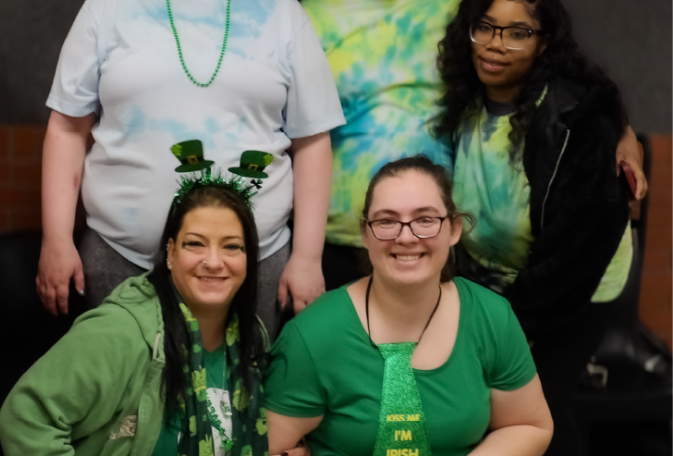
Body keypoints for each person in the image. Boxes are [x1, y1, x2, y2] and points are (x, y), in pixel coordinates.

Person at [35, 0, 346, 339]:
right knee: (121, 389)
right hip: (121, 257)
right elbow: (67, 128)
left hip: (253, 263)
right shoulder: (107, 8)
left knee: (246, 390)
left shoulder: (282, 14)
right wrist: (56, 239)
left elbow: (313, 141)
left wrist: (307, 256)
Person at [300, 0, 647, 292]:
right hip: (331, 239)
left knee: (422, 367)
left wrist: (621, 129)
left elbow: (563, 62)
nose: (495, 40)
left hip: (433, 240)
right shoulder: (308, 12)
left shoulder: (456, 5)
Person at [434, 0, 633, 453]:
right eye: (485, 27)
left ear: (544, 43)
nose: (495, 45)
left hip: (570, 285)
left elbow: (579, 248)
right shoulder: (464, 94)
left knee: (538, 407)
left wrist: (520, 321)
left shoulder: (577, 119)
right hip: (491, 277)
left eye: (517, 33)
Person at [265, 157, 553, 456]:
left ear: (454, 229)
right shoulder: (314, 333)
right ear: (365, 233)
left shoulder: (491, 317)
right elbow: (269, 447)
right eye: (387, 221)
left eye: (425, 220)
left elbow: (528, 425)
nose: (406, 236)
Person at [0, 182, 269, 455]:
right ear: (171, 253)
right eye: (195, 244)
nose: (213, 261)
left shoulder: (251, 337)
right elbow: (24, 418)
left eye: (232, 247)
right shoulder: (120, 330)